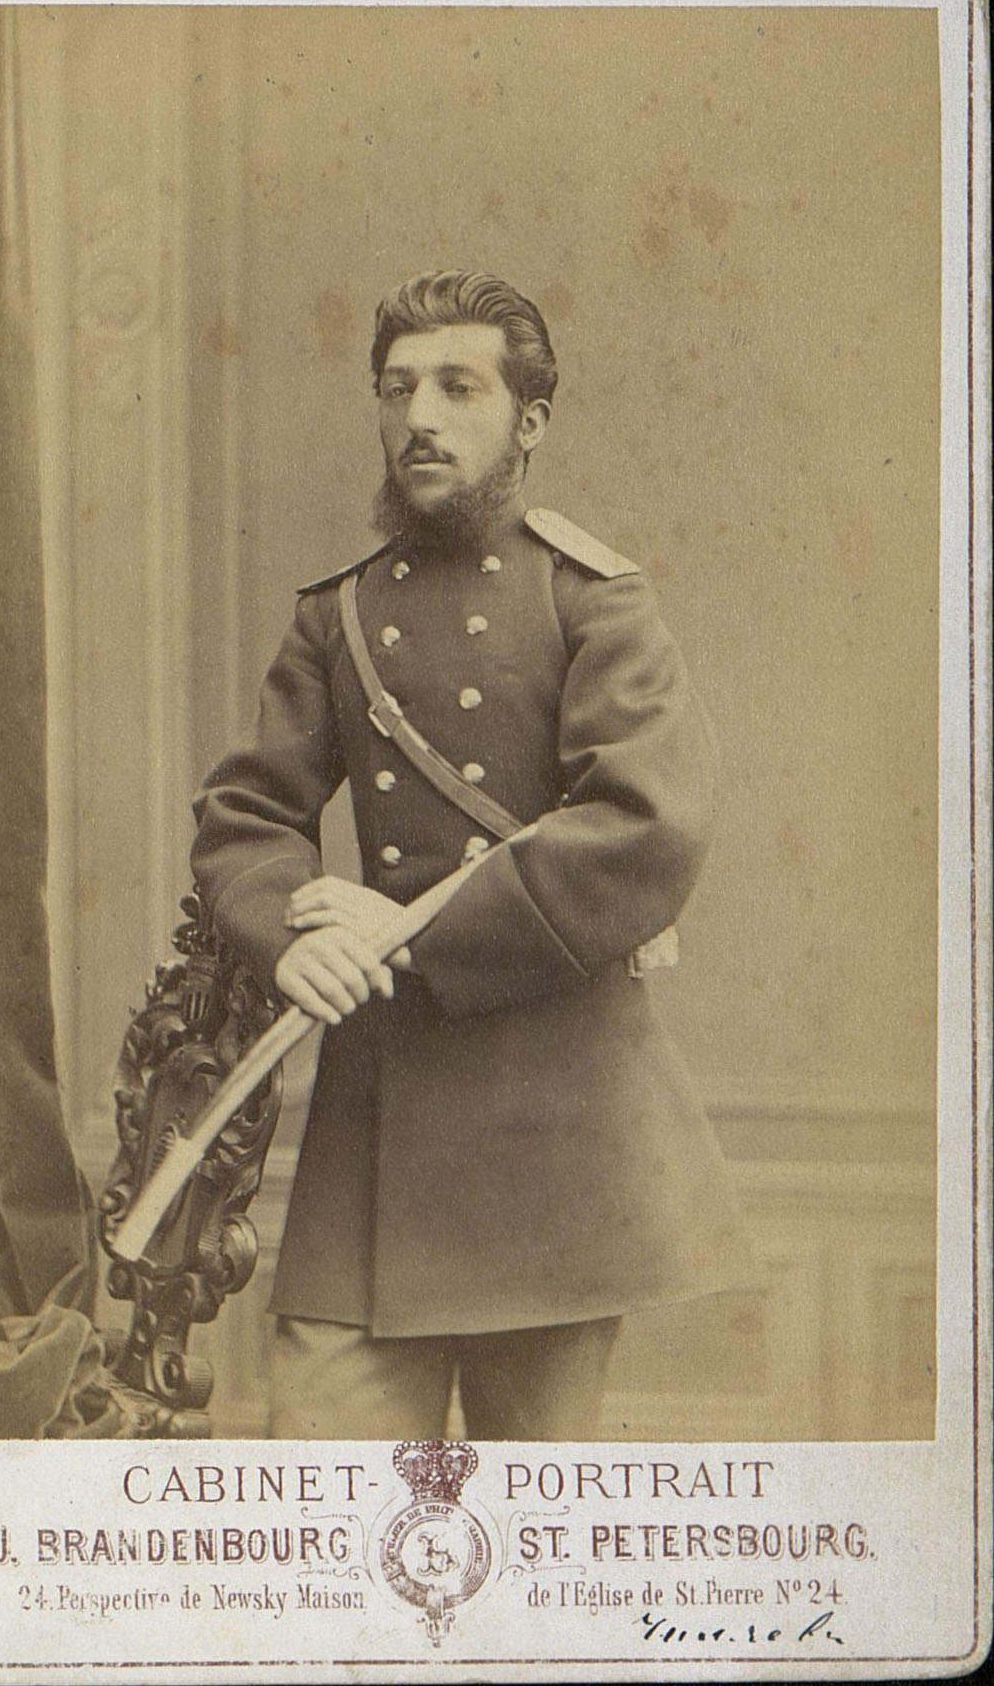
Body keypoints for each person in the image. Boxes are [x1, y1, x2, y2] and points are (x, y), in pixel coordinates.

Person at [191, 269, 754, 1441]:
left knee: (534, 1506)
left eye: (458, 387)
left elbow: (644, 824)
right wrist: (291, 928)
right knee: (324, 1490)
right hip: (375, 1131)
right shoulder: (337, 613)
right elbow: (248, 811)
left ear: (529, 419)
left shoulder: (593, 601)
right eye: (398, 388)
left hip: (555, 1131)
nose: (420, 418)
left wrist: (401, 929)